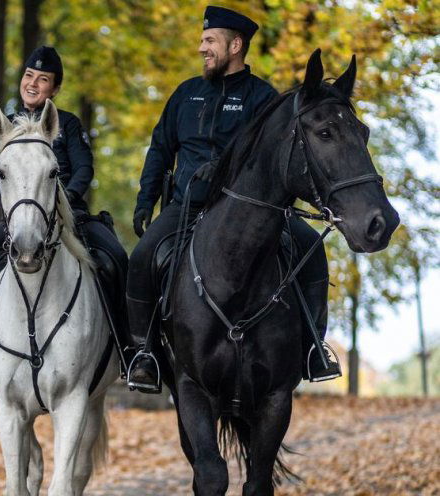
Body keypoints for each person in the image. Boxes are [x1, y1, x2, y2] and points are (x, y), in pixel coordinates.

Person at [126, 6, 341, 393]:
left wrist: (224, 167)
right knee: (142, 256)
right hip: (187, 205)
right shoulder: (186, 94)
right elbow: (160, 148)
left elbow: (276, 155)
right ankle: (144, 353)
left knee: (311, 247)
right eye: (202, 40)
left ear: (235, 44)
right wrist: (145, 200)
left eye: (209, 41)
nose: (201, 48)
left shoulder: (263, 98)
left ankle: (314, 348)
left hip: (252, 209)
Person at [0, 46, 130, 387]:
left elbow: (84, 168)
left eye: (43, 79)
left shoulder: (66, 123)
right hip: (21, 217)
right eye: (28, 76)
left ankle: (128, 349)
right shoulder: (6, 125)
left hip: (71, 216)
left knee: (116, 260)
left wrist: (60, 202)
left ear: (54, 89)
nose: (33, 84)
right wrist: (17, 207)